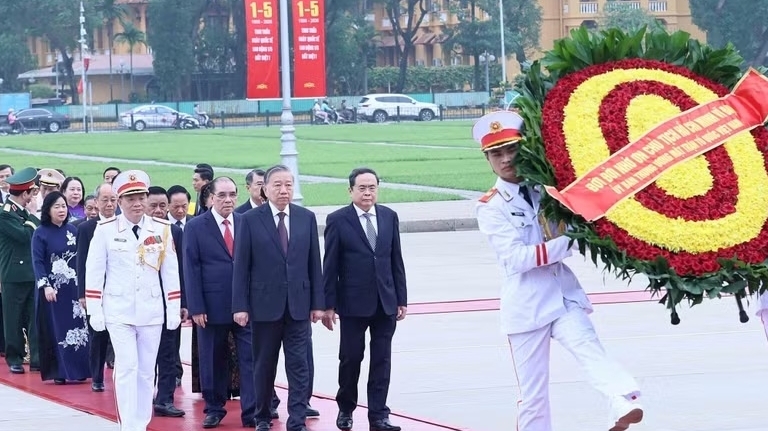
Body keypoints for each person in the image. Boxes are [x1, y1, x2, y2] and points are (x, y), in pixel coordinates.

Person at [473, 111, 643, 431]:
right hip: (526, 305)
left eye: (512, 149)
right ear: (488, 159)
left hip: (563, 295)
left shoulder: (547, 189)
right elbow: (516, 259)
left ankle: (622, 401)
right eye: (497, 153)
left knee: (589, 348)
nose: (507, 159)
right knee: (533, 395)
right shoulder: (490, 206)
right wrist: (572, 240)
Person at [84, 170, 181, 431]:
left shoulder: (161, 229)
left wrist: (173, 308)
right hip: (118, 310)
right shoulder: (105, 230)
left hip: (151, 310)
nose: (137, 203)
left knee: (147, 371)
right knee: (127, 367)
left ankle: (141, 421)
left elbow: (170, 271)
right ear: (119, 201)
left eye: (141, 197)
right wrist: (95, 310)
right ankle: (129, 425)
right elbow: (95, 271)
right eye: (130, 199)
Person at [232, 165, 324, 431]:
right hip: (263, 308)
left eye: (288, 185)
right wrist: (240, 305)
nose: (284, 190)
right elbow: (241, 266)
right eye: (277, 185)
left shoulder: (305, 217)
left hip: (298, 307)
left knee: (299, 366)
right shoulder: (250, 219)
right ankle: (262, 416)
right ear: (265, 189)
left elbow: (313, 264)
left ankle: (297, 420)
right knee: (264, 366)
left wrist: (318, 303)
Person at [321, 168, 407, 431]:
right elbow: (330, 265)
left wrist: (401, 299)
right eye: (362, 188)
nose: (368, 192)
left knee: (382, 360)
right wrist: (328, 305)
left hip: (385, 302)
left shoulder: (389, 216)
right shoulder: (338, 220)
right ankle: (346, 409)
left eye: (372, 187)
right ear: (351, 191)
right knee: (350, 358)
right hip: (352, 304)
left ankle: (379, 414)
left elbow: (396, 260)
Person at [185, 177, 256, 428]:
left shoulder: (246, 222)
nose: (228, 200)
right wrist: (196, 307)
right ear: (211, 198)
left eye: (232, 195)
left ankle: (252, 411)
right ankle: (214, 408)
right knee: (212, 359)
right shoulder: (195, 226)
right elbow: (191, 269)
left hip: (245, 306)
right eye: (222, 195)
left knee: (250, 359)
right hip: (211, 307)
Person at [31, 191, 90, 384]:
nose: (61, 210)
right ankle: (59, 372)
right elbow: (37, 262)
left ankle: (80, 369)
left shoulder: (73, 231)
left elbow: (81, 260)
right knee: (57, 329)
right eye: (56, 206)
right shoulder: (40, 233)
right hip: (53, 291)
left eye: (63, 206)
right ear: (48, 210)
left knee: (78, 329)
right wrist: (45, 285)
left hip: (73, 290)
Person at [145, 186, 187, 418]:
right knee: (144, 355)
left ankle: (165, 399)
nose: (159, 210)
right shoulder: (136, 231)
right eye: (154, 206)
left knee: (169, 354)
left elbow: (183, 270)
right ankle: (142, 395)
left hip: (169, 304)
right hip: (142, 305)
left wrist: (184, 302)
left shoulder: (174, 232)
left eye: (163, 205)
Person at [76, 182, 118, 392]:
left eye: (113, 200)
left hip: (119, 290)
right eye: (105, 200)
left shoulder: (123, 224)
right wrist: (83, 294)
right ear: (96, 202)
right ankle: (97, 376)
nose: (109, 204)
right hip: (96, 290)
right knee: (97, 334)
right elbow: (81, 262)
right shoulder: (86, 228)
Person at [0, 167, 40, 374]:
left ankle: (37, 358)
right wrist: (32, 217)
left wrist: (30, 219)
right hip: (13, 275)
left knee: (34, 318)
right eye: (31, 192)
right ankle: (14, 357)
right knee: (13, 319)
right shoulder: (5, 214)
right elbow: (26, 235)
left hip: (31, 274)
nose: (32, 197)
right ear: (24, 193)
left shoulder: (21, 213)